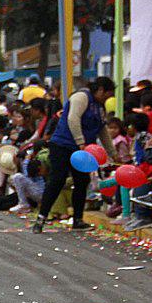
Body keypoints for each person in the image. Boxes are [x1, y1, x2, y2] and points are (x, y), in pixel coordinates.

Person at [31, 76, 116, 234]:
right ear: (100, 90)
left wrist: (112, 152)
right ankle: (41, 217)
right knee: (57, 180)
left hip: (83, 149)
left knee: (82, 181)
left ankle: (78, 219)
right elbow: (73, 118)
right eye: (107, 95)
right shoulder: (81, 97)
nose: (107, 99)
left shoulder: (99, 107)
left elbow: (102, 130)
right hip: (63, 145)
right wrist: (80, 142)